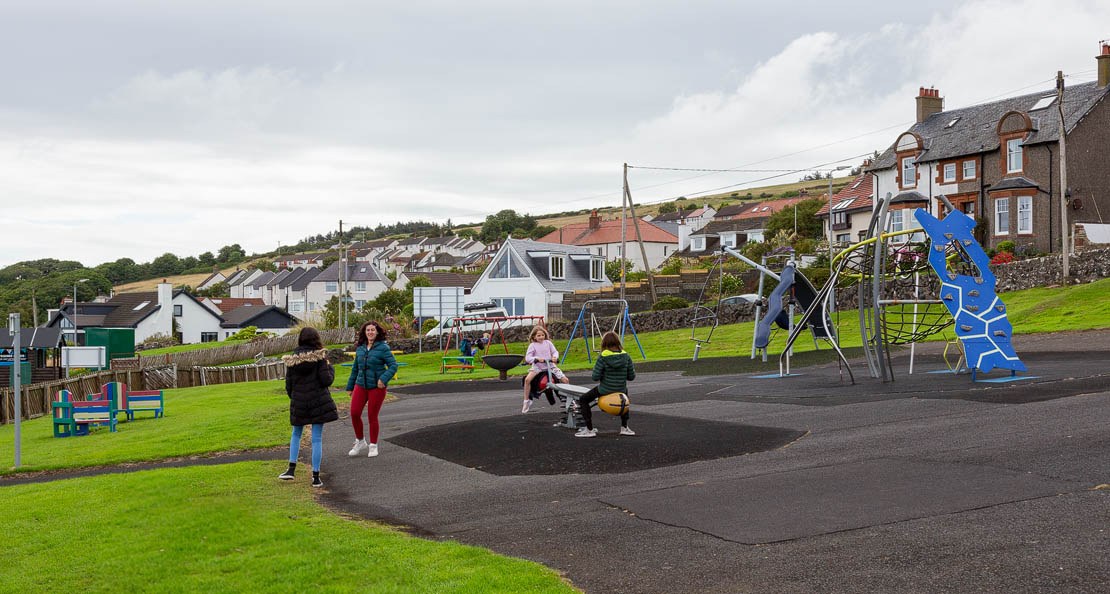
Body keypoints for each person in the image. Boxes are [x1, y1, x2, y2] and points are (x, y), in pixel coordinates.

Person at [279, 327, 338, 487]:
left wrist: (296, 398)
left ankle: (291, 469)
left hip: (299, 401)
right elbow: (326, 380)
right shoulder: (320, 358)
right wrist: (330, 367)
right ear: (316, 339)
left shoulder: (292, 359)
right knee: (316, 438)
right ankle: (316, 476)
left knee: (296, 434)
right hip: (318, 401)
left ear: (300, 339)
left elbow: (288, 385)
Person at [346, 320, 399, 458]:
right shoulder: (360, 348)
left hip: (377, 386)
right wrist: (350, 386)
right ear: (364, 332)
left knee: (372, 416)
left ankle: (373, 445)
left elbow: (393, 365)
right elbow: (355, 368)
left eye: (372, 330)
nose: (370, 332)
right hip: (360, 385)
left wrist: (383, 379)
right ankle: (360, 441)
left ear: (377, 332)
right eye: (368, 330)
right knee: (354, 413)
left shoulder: (383, 348)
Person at [575, 331, 636, 438]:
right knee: (624, 396)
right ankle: (625, 427)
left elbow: (595, 377)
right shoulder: (626, 357)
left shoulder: (603, 357)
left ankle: (589, 429)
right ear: (618, 342)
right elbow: (631, 377)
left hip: (605, 389)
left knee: (583, 400)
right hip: (620, 389)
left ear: (604, 343)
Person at [521, 325, 568, 413]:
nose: (541, 337)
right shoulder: (532, 345)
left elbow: (555, 352)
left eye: (542, 335)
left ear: (545, 335)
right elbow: (528, 357)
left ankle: (570, 400)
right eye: (538, 335)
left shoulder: (548, 343)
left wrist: (555, 357)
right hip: (538, 367)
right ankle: (526, 401)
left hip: (550, 365)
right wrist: (536, 359)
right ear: (534, 336)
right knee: (527, 380)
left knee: (565, 380)